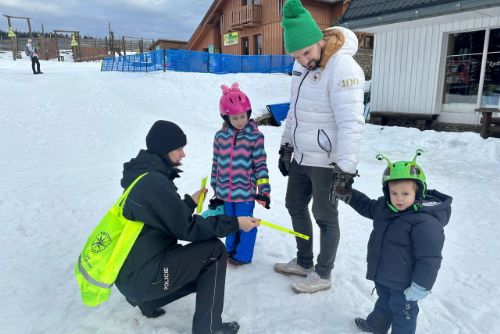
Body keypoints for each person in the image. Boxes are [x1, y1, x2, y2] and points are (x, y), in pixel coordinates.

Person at [115, 120, 260, 334]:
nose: (183, 154)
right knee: (214, 252)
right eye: (179, 149)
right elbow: (188, 229)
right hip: (143, 277)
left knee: (201, 264)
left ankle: (151, 302)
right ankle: (208, 328)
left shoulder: (143, 176)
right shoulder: (154, 183)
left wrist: (190, 203)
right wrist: (236, 222)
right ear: (165, 150)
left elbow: (163, 217)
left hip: (134, 275)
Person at [274, 0, 365, 293]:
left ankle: (323, 274)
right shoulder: (300, 66)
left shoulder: (342, 66)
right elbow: (295, 110)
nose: (302, 60)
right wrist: (286, 145)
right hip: (301, 155)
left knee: (325, 217)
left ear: (320, 40)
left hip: (327, 161)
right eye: (296, 55)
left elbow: (351, 122)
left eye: (306, 53)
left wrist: (346, 169)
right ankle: (304, 262)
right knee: (294, 205)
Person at [347, 150, 452, 334]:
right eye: (394, 193)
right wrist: (347, 194)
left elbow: (429, 258)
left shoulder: (425, 221)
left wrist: (421, 285)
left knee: (404, 314)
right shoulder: (385, 208)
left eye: (405, 193)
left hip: (407, 285)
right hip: (385, 276)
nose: (399, 198)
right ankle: (376, 325)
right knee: (384, 303)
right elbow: (367, 206)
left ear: (418, 191)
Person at [211, 83, 271, 266]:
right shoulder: (220, 137)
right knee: (229, 222)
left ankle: (243, 255)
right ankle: (228, 250)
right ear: (226, 117)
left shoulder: (255, 137)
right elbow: (216, 163)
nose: (239, 121)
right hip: (225, 192)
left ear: (249, 113)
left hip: (245, 192)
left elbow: (260, 164)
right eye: (234, 118)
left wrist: (264, 190)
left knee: (246, 224)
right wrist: (215, 187)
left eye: (242, 116)